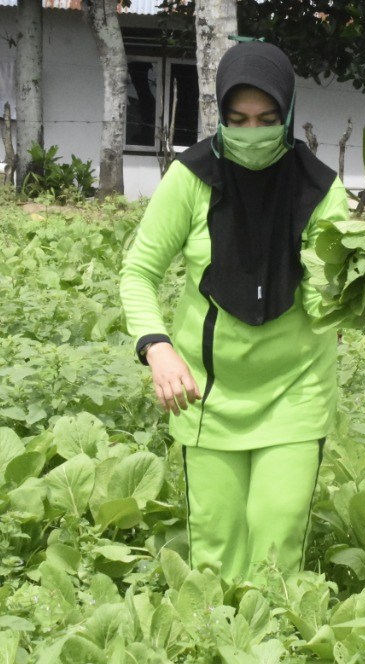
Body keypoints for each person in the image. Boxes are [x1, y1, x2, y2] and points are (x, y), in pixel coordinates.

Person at [119, 41, 348, 581]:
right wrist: (157, 347)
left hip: (297, 389)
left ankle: (269, 651)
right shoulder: (191, 179)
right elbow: (138, 273)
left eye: (267, 119)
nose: (252, 131)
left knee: (276, 540)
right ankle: (209, 651)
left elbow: (326, 299)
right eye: (237, 119)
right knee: (216, 550)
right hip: (206, 392)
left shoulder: (320, 190)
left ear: (288, 114)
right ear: (219, 114)